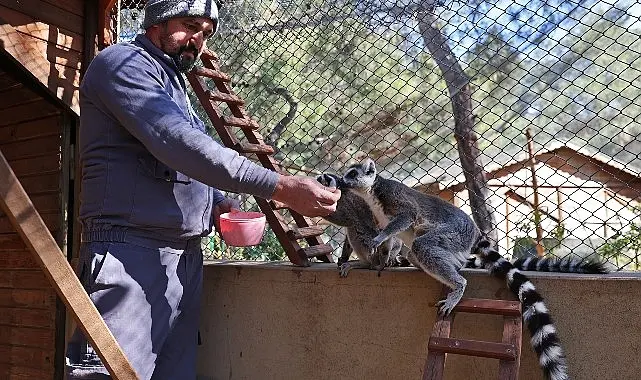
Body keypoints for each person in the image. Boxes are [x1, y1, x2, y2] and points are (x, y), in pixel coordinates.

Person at [64, 1, 340, 379]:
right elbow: (177, 143)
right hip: (130, 250)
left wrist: (215, 201)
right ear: (156, 23)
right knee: (112, 371)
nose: (197, 38)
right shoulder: (122, 63)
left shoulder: (173, 80)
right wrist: (280, 186)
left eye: (206, 32)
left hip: (183, 259)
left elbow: (178, 161)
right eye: (189, 24)